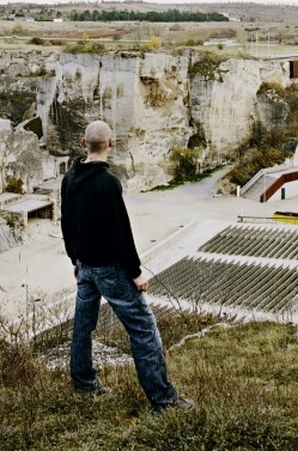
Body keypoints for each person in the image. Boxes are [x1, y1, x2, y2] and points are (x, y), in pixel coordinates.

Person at [60, 120, 191, 412]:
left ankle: (83, 383)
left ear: (84, 144)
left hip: (84, 266)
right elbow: (120, 233)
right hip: (109, 269)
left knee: (83, 326)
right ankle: (164, 400)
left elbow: (66, 222)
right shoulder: (108, 183)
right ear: (111, 144)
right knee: (143, 329)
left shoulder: (69, 178)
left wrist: (74, 259)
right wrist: (135, 272)